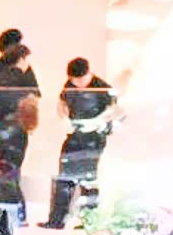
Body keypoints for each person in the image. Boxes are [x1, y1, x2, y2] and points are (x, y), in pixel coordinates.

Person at [48, 56, 119, 225]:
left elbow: (114, 109)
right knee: (64, 176)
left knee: (88, 178)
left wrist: (97, 121)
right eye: (75, 80)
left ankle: (88, 220)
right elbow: (62, 103)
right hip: (75, 134)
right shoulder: (70, 86)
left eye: (81, 80)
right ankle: (57, 219)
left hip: (94, 137)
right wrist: (64, 119)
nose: (78, 84)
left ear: (88, 73)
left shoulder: (101, 87)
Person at [0, 29, 39, 222]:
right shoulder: (24, 74)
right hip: (17, 129)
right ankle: (16, 215)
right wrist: (30, 124)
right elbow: (32, 100)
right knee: (13, 171)